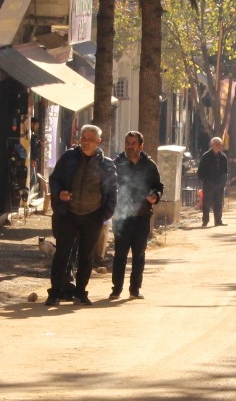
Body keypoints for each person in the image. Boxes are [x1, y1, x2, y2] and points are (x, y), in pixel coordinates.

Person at [46, 123, 116, 307]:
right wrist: (59, 192)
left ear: (98, 142)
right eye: (83, 139)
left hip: (92, 216)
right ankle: (55, 293)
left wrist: (104, 215)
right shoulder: (68, 158)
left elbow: (112, 192)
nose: (86, 143)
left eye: (90, 140)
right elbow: (54, 180)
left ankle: (80, 292)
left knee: (86, 257)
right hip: (68, 214)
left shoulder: (106, 165)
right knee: (62, 254)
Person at [111, 131, 163, 299]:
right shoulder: (117, 163)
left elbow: (158, 186)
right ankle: (116, 288)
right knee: (120, 254)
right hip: (122, 217)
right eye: (128, 143)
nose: (130, 146)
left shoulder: (150, 165)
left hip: (142, 216)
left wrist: (155, 196)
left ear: (141, 146)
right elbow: (109, 186)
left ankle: (135, 289)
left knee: (139, 254)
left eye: (133, 143)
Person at [197, 136, 229, 226]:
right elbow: (201, 171)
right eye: (217, 144)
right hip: (209, 184)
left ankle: (218, 220)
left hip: (219, 184)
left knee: (218, 203)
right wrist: (205, 181)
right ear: (212, 145)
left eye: (220, 144)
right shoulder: (206, 156)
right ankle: (205, 221)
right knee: (206, 203)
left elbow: (225, 171)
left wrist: (223, 182)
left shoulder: (223, 157)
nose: (219, 146)